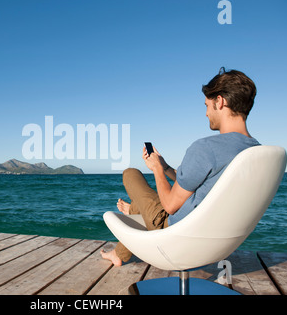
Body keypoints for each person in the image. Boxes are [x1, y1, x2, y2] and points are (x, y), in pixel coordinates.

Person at [101, 67, 261, 266]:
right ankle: (125, 237)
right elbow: (200, 182)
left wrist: (157, 169)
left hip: (174, 230)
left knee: (131, 173)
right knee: (148, 200)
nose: (206, 113)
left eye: (207, 105)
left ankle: (133, 211)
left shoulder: (206, 148)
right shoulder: (256, 152)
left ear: (219, 101)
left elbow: (170, 205)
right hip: (218, 242)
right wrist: (166, 167)